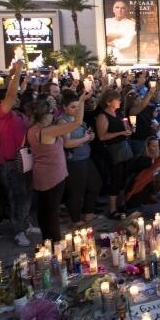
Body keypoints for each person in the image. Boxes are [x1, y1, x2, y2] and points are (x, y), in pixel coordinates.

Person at [27, 90, 89, 242]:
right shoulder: (47, 131)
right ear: (45, 114)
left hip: (41, 174)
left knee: (45, 210)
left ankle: (46, 241)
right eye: (51, 112)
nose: (54, 114)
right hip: (52, 175)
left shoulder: (32, 129)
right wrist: (81, 101)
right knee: (52, 212)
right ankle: (55, 243)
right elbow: (77, 122)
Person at [0, 60, 33, 247]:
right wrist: (17, 74)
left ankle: (25, 223)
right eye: (13, 97)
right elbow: (11, 94)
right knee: (16, 196)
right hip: (9, 161)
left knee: (26, 194)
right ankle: (18, 231)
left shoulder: (20, 115)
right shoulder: (0, 114)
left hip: (25, 159)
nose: (17, 98)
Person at [60, 91, 101, 227]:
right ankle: (76, 219)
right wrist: (85, 138)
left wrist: (89, 135)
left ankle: (88, 212)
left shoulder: (78, 119)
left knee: (95, 184)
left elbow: (83, 135)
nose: (76, 109)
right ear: (64, 107)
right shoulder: (63, 121)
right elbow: (67, 143)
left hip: (85, 157)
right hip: (74, 160)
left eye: (78, 106)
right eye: (73, 107)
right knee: (76, 191)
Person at [96, 89, 132, 219]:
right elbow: (102, 136)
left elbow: (123, 128)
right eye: (117, 99)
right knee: (115, 179)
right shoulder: (103, 116)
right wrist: (120, 133)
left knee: (123, 178)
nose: (120, 101)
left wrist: (128, 130)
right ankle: (112, 209)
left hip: (123, 149)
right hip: (113, 151)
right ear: (108, 102)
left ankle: (121, 203)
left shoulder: (117, 113)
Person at [125, 136, 160, 217]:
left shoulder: (149, 173)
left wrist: (158, 201)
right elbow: (155, 166)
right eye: (153, 146)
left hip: (145, 201)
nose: (156, 148)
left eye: (157, 146)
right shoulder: (144, 169)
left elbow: (149, 194)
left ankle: (156, 211)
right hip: (135, 209)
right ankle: (155, 212)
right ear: (147, 147)